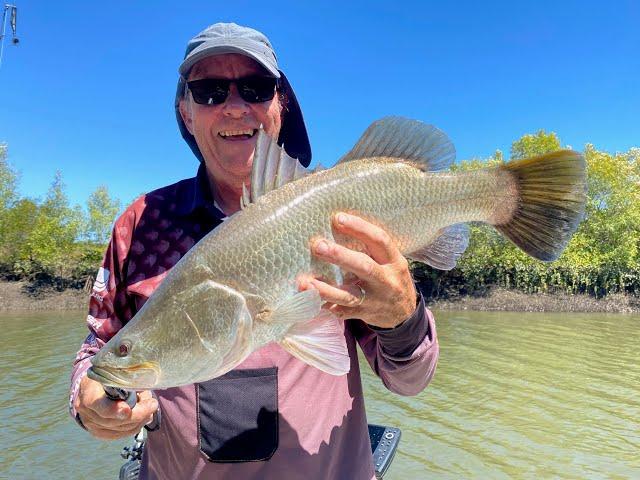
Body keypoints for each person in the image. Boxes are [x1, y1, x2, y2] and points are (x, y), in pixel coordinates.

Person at [69, 22, 439, 480]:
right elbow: (99, 351)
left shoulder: (344, 215)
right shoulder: (140, 224)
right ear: (185, 112)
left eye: (256, 88)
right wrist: (89, 399)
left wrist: (404, 317)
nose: (235, 107)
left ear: (280, 104)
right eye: (208, 92)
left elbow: (410, 380)